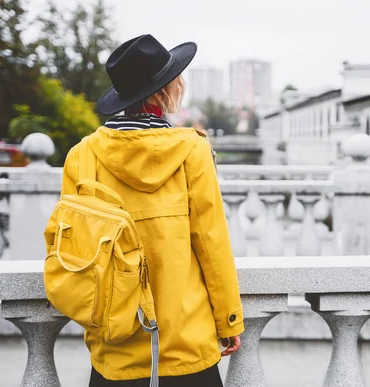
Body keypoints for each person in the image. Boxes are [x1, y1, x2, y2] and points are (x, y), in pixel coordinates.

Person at [59, 34, 244, 387]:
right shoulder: (192, 150)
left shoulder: (82, 156)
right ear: (163, 92)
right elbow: (211, 244)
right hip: (187, 346)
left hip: (116, 348)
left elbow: (74, 254)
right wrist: (229, 320)